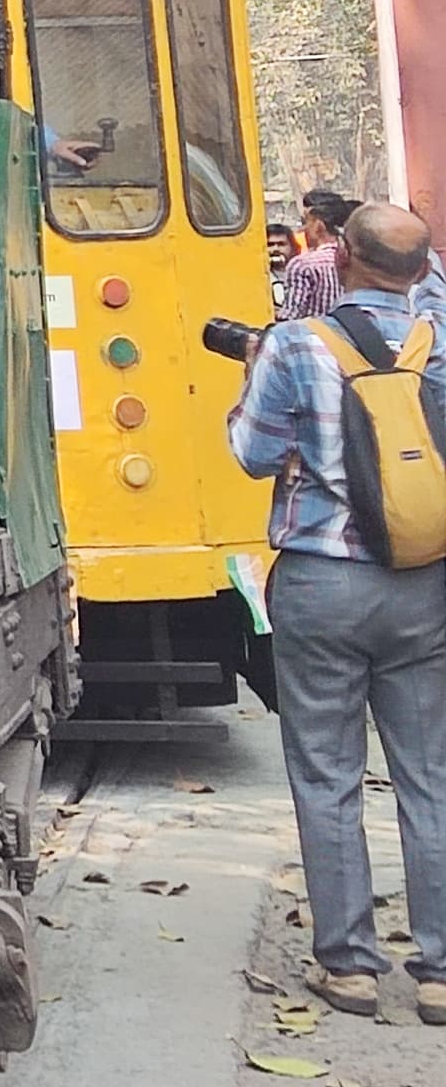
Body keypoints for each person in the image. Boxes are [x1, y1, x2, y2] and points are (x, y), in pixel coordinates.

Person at [228, 202, 446, 1021]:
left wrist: (253, 372)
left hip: (321, 582)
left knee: (327, 774)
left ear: (341, 259)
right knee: (429, 775)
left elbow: (252, 454)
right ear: (421, 272)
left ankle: (349, 965)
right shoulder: (439, 343)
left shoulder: (295, 345)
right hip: (422, 582)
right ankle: (440, 971)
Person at [282, 191, 358, 322]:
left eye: (305, 222)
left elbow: (291, 317)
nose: (303, 229)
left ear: (319, 225)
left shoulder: (302, 265)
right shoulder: (359, 261)